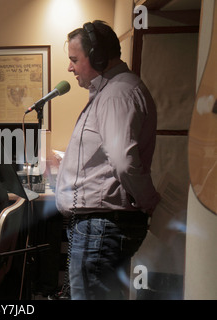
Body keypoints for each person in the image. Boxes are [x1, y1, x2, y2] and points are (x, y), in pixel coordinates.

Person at [54, 20, 160, 300]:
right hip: (97, 228)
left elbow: (123, 161)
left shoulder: (117, 94)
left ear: (98, 58)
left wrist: (148, 201)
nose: (70, 68)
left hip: (100, 228)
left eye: (74, 60)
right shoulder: (110, 91)